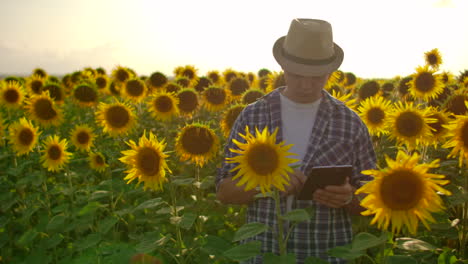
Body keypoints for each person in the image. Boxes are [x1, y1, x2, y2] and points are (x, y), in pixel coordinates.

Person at [216, 18, 376, 264]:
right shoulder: (253, 116)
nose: (305, 85)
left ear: (330, 72)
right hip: (263, 254)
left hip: (325, 254)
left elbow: (373, 200)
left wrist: (348, 198)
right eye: (297, 75)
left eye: (316, 76)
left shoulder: (350, 123)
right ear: (283, 67)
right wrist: (267, 185)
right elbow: (224, 190)